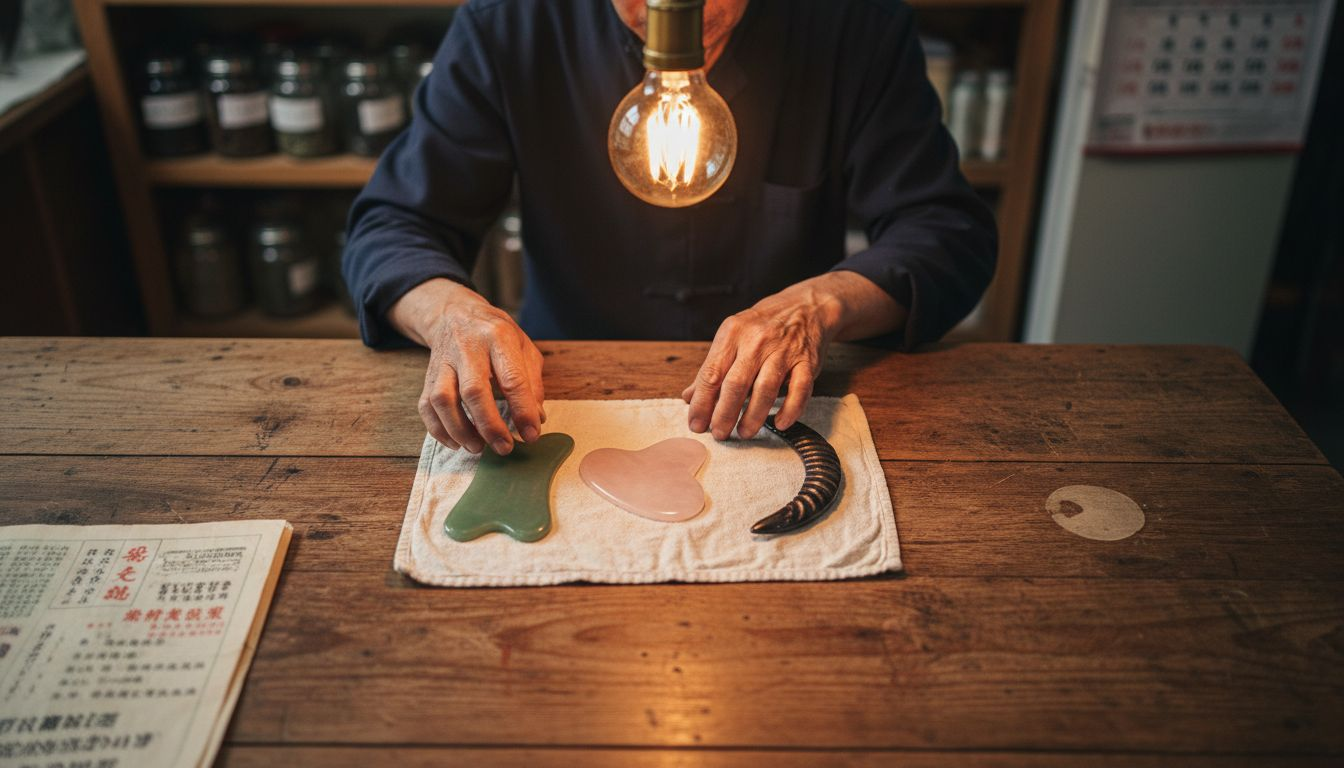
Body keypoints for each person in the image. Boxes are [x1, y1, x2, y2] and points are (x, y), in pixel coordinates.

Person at [343, 0, 997, 456]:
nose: (690, 13)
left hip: (778, 400)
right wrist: (450, 314)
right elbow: (393, 223)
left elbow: (947, 232)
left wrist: (819, 304)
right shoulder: (508, 24)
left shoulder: (855, 26)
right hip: (558, 394)